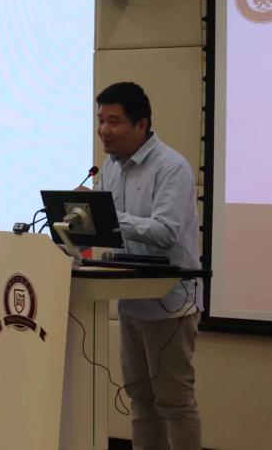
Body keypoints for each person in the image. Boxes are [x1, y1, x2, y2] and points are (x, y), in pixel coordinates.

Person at [95, 82, 202, 450]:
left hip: (169, 302)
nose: (104, 130)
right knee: (140, 398)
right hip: (131, 300)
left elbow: (166, 232)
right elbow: (110, 231)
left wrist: (108, 216)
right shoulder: (110, 168)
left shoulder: (171, 167)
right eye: (101, 120)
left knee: (174, 400)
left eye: (114, 121)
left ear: (141, 124)